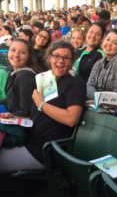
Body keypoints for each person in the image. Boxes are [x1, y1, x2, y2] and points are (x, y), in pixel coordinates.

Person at [0, 40, 86, 173]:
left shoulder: (75, 83)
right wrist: (12, 116)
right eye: (56, 56)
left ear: (72, 61)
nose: (61, 60)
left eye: (66, 58)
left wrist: (41, 104)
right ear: (49, 57)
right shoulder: (45, 80)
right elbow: (35, 118)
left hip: (43, 150)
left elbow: (71, 119)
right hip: (26, 140)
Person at [87, 29, 117, 99]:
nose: (109, 44)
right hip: (97, 103)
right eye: (108, 39)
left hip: (115, 107)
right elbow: (90, 85)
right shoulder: (99, 62)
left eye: (115, 43)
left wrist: (99, 99)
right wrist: (96, 98)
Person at [0, 39, 42, 117]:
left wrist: (8, 116)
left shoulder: (24, 77)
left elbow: (26, 112)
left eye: (22, 52)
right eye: (13, 50)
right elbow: (10, 100)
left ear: (29, 56)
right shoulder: (13, 70)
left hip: (16, 121)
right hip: (8, 110)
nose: (16, 55)